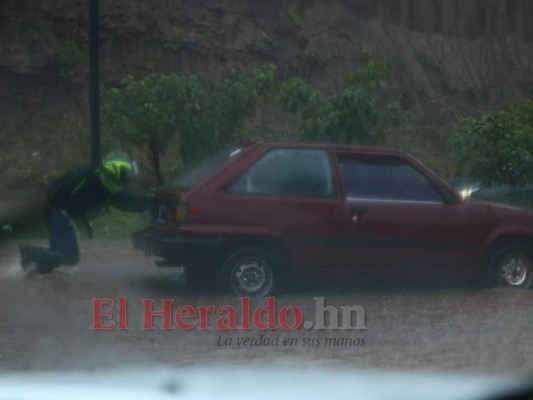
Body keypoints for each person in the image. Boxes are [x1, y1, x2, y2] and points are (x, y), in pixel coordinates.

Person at [19, 152, 155, 274]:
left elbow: (123, 202)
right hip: (59, 214)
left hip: (59, 214)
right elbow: (122, 198)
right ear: (115, 170)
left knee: (70, 257)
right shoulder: (98, 179)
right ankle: (31, 253)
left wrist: (147, 203)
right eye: (125, 173)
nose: (127, 178)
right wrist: (150, 201)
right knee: (66, 256)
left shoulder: (100, 179)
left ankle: (35, 269)